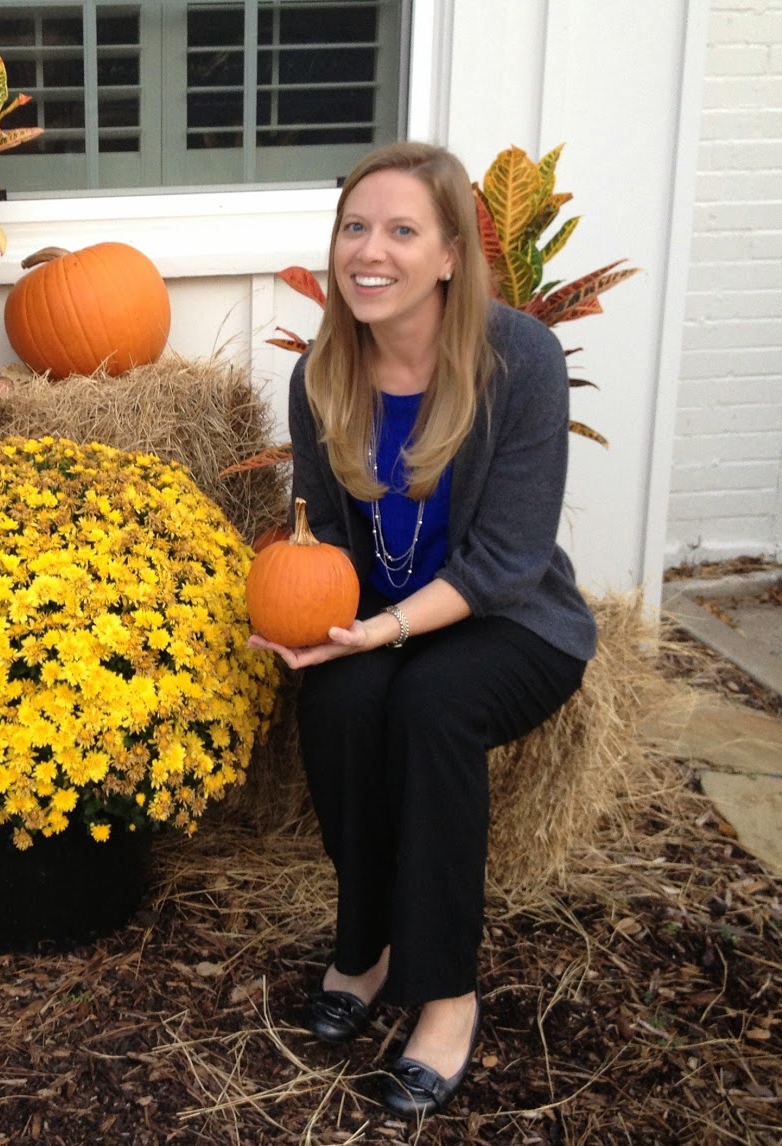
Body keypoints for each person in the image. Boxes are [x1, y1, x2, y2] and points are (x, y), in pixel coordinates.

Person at [249, 141, 595, 1117]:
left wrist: (389, 629)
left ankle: (445, 993)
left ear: (450, 255)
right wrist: (310, 615)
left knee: (433, 706)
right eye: (355, 227)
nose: (371, 250)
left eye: (402, 230)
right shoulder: (323, 375)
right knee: (340, 704)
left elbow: (507, 561)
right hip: (381, 612)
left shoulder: (519, 360)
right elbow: (325, 532)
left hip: (511, 620)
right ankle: (366, 943)